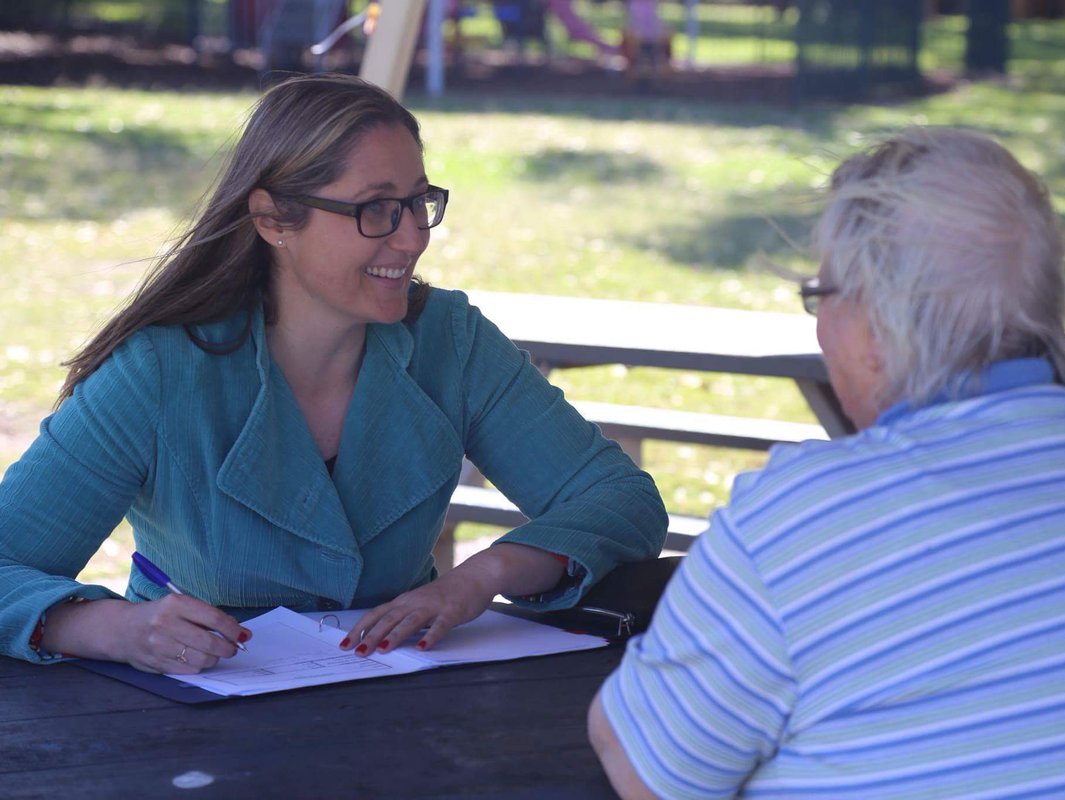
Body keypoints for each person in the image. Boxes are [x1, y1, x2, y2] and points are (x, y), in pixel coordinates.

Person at [589, 128, 1065, 798]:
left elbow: (643, 769)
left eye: (821, 294)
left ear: (879, 323)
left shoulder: (802, 523)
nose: (819, 325)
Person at [0, 73, 666, 674]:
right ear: (272, 219)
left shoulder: (451, 341)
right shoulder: (158, 371)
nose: (412, 237)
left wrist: (481, 575)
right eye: (375, 208)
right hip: (192, 718)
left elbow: (621, 500)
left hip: (406, 710)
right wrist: (115, 629)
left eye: (418, 201)